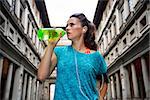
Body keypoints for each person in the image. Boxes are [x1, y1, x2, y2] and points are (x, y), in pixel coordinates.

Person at [38, 13, 108, 100]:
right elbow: (41, 76)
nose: (67, 28)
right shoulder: (59, 52)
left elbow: (105, 81)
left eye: (72, 25)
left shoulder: (96, 56)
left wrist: (100, 97)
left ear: (84, 29)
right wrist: (51, 45)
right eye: (67, 25)